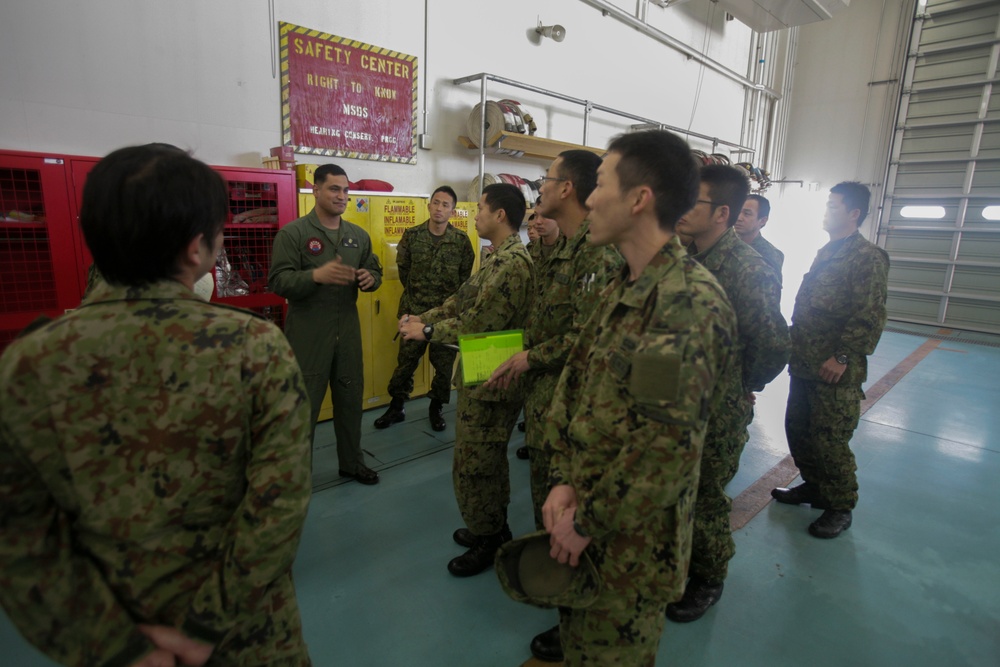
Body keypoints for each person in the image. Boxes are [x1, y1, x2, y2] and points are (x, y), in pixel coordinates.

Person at [0, 144, 314, 666]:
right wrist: (204, 625)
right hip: (247, 637)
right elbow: (278, 504)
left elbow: (19, 536)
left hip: (115, 631)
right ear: (197, 249)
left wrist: (119, 648)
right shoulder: (253, 346)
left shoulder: (29, 362)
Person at [541, 130, 737, 665]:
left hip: (627, 552)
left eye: (600, 183)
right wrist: (563, 478)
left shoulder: (685, 305)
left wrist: (585, 521)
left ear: (638, 199)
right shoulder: (623, 285)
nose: (591, 197)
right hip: (586, 521)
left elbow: (663, 452)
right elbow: (576, 389)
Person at [486, 150, 622, 663]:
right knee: (550, 507)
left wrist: (530, 357)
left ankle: (578, 620)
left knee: (571, 516)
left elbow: (586, 338)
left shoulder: (598, 254)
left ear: (566, 189)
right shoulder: (564, 247)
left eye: (546, 180)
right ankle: (568, 604)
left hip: (578, 412)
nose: (538, 189)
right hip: (550, 406)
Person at [669, 164, 789, 622]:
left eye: (692, 201)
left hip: (715, 410)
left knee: (705, 497)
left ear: (721, 213)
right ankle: (678, 565)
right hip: (674, 401)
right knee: (677, 491)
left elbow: (773, 343)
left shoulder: (747, 270)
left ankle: (707, 576)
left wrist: (742, 385)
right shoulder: (685, 257)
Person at [398, 183, 534, 577]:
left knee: (480, 463)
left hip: (495, 377)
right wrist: (424, 317)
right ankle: (489, 528)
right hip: (480, 371)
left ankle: (490, 538)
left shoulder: (512, 264)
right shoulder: (495, 259)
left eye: (480, 210)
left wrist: (425, 333)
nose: (474, 217)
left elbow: (477, 323)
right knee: (476, 459)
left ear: (500, 215)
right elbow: (462, 299)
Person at [772, 181, 890, 538]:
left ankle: (839, 506)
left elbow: (869, 314)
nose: (826, 212)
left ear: (853, 213)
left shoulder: (867, 256)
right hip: (805, 361)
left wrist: (842, 356)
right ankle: (814, 486)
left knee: (829, 439)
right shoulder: (827, 251)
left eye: (833, 206)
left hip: (835, 369)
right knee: (799, 430)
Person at [269, 164, 383, 485]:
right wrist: (314, 276)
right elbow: (278, 281)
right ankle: (295, 473)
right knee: (303, 408)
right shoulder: (294, 234)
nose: (342, 196)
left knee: (349, 402)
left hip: (346, 332)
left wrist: (368, 278)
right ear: (316, 190)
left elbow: (374, 271)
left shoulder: (357, 236)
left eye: (346, 190)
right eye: (334, 189)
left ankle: (351, 462)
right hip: (308, 335)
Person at [374, 185, 475, 432]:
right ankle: (397, 406)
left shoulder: (461, 241)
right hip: (414, 310)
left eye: (445, 205)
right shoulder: (412, 235)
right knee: (405, 363)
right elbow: (404, 271)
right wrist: (416, 300)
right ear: (429, 205)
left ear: (453, 211)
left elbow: (465, 280)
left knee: (443, 367)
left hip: (445, 317)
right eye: (436, 202)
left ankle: (436, 407)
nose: (439, 208)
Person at [735, 194, 784, 277]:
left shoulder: (770, 254)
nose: (739, 218)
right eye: (737, 212)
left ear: (763, 221)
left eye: (747, 214)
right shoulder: (726, 244)